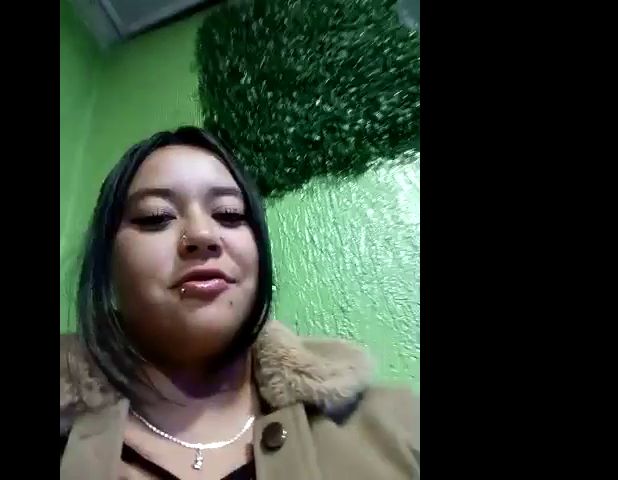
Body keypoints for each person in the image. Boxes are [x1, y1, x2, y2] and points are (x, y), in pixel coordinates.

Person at [60, 126, 419, 479]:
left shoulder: (399, 428)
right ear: (106, 263)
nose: (203, 234)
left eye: (229, 214)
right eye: (157, 216)